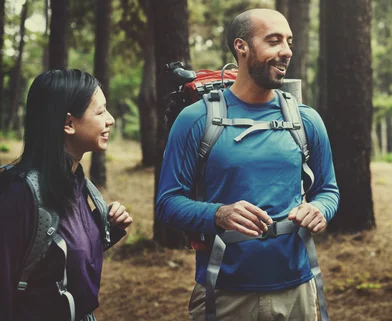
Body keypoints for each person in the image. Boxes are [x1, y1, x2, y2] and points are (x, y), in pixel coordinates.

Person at [156, 8, 339, 321]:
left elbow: (328, 190)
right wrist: (219, 214)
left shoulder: (305, 119)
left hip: (297, 290)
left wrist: (320, 209)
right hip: (224, 292)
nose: (286, 51)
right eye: (273, 41)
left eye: (289, 42)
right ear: (241, 47)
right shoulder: (195, 120)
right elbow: (167, 203)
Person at [0, 69, 133, 321]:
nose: (111, 119)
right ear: (69, 124)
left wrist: (108, 229)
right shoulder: (18, 196)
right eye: (101, 111)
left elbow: (57, 263)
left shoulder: (77, 183)